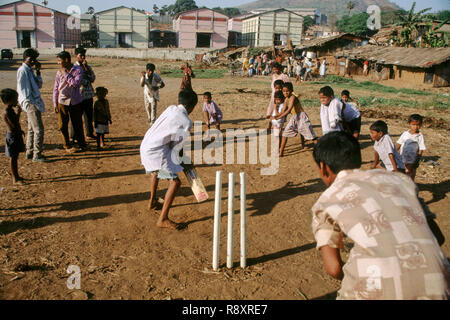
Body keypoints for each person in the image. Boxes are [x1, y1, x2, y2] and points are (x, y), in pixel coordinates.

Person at [311, 131, 450, 300]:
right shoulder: (400, 181)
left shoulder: (326, 201)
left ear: (324, 167)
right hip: (439, 285)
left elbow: (334, 269)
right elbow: (438, 237)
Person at [140, 90, 198, 230]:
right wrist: (186, 163)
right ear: (192, 107)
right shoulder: (186, 122)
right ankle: (163, 219)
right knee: (175, 182)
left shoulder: (171, 108)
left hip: (146, 145)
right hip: (156, 151)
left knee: (155, 172)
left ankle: (152, 201)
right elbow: (176, 148)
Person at [16, 48, 47, 162]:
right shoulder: (22, 70)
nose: (33, 61)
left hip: (33, 101)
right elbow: (23, 90)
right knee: (39, 129)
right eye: (31, 59)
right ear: (25, 58)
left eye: (34, 59)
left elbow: (38, 85)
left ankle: (29, 151)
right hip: (30, 102)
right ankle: (37, 155)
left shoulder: (29, 70)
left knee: (31, 129)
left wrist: (38, 71)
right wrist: (29, 102)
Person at [53, 51, 86, 152]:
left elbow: (75, 84)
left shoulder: (78, 70)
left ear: (66, 60)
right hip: (62, 101)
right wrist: (55, 103)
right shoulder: (59, 72)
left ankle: (81, 144)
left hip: (75, 101)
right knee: (62, 125)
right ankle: (66, 145)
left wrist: (66, 74)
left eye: (60, 61)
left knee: (77, 124)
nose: (59, 63)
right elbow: (56, 88)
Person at [277, 82, 317, 156]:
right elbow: (283, 110)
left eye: (287, 91)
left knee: (311, 135)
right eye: (284, 91)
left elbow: (289, 110)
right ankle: (281, 152)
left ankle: (320, 149)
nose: (285, 92)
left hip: (301, 117)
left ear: (291, 90)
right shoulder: (286, 99)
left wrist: (280, 117)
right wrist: (277, 116)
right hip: (294, 117)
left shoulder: (293, 97)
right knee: (285, 133)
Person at [2, 89, 25, 185]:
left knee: (15, 157)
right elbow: (14, 125)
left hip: (14, 135)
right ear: (9, 100)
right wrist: (19, 113)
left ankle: (16, 176)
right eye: (15, 99)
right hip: (13, 136)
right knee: (13, 157)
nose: (17, 100)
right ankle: (15, 178)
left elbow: (15, 123)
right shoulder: (7, 112)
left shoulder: (10, 110)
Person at [74, 47, 96, 140]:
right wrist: (86, 81)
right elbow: (77, 81)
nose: (83, 57)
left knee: (89, 116)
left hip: (88, 95)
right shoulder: (74, 67)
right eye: (80, 55)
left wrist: (86, 68)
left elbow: (92, 78)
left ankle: (89, 133)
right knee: (77, 117)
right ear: (76, 56)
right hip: (78, 95)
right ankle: (75, 136)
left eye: (84, 55)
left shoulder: (87, 67)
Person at [396, 114, 426, 181]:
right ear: (409, 124)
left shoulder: (420, 136)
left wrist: (417, 159)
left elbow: (421, 149)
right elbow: (399, 143)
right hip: (403, 156)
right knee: (403, 171)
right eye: (413, 125)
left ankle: (411, 184)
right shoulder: (405, 134)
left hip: (413, 159)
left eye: (418, 125)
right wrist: (394, 152)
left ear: (421, 125)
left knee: (411, 172)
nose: (416, 127)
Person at [266, 63, 291, 131]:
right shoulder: (273, 76)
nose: (275, 70)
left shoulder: (284, 76)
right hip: (274, 96)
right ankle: (270, 125)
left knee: (280, 109)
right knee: (271, 109)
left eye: (276, 69)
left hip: (281, 96)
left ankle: (279, 124)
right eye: (274, 69)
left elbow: (288, 85)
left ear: (280, 68)